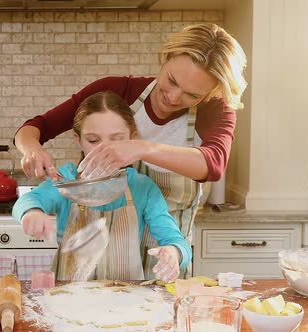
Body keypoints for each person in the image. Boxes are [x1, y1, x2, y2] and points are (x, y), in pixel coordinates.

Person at [14, 23, 247, 278]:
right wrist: (32, 150)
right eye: (171, 80)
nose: (173, 97)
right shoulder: (115, 92)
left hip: (164, 261)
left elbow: (213, 164)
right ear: (166, 57)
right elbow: (37, 127)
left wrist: (142, 149)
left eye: (192, 94)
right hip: (88, 269)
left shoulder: (214, 111)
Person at [12, 91, 192, 282]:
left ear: (133, 139)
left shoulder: (142, 187)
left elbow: (177, 241)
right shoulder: (67, 179)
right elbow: (28, 200)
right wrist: (32, 212)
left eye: (116, 139)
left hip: (124, 300)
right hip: (68, 299)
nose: (105, 150)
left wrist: (173, 254)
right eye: (93, 140)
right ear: (78, 140)